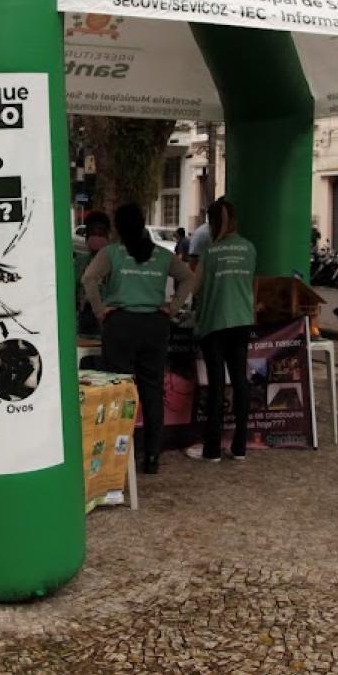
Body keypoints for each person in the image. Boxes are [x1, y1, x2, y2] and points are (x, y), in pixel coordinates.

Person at [82, 203, 195, 474]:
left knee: (118, 390)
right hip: (154, 326)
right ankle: (152, 457)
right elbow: (189, 278)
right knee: (152, 391)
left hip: (120, 325)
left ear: (118, 228)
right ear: (143, 223)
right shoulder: (161, 255)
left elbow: (89, 278)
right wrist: (172, 306)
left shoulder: (112, 253)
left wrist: (100, 310)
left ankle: (120, 456)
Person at [186, 198, 256, 463]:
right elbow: (249, 284)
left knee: (216, 385)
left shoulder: (210, 253)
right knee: (240, 381)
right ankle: (240, 447)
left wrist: (171, 306)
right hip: (241, 321)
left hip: (214, 323)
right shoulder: (249, 249)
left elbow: (193, 286)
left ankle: (212, 450)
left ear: (213, 223)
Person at [75, 210, 111, 336]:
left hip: (109, 315)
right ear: (86, 238)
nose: (96, 237)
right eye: (93, 233)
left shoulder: (115, 262)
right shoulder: (80, 262)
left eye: (100, 234)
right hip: (85, 315)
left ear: (107, 236)